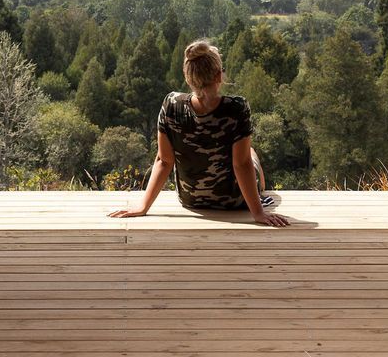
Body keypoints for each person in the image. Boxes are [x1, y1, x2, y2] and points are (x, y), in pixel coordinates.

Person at [108, 40, 289, 227]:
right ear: (219, 76)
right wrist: (258, 213)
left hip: (190, 199)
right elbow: (241, 164)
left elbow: (164, 161)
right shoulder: (237, 108)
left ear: (188, 78)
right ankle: (261, 192)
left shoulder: (171, 104)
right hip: (234, 201)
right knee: (250, 153)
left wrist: (143, 207)